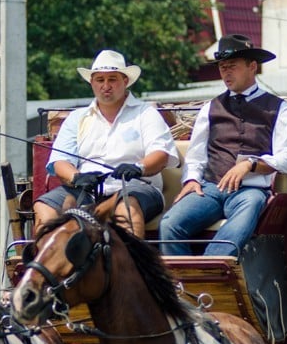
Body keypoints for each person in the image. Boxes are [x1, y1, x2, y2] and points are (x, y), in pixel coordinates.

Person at [159, 34, 287, 257]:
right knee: (169, 225)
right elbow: (196, 155)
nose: (226, 72)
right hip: (211, 189)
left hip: (251, 191)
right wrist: (192, 180)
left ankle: (209, 275)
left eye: (232, 66)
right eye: (222, 67)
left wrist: (250, 165)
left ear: (252, 66)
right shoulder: (210, 107)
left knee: (245, 213)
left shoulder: (278, 108)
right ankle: (184, 286)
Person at [33, 50, 179, 238]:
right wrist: (77, 177)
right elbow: (60, 161)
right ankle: (49, 266)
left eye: (112, 79)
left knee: (127, 206)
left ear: (125, 81)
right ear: (92, 83)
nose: (106, 86)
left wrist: (138, 168)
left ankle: (131, 265)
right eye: (100, 80)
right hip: (87, 192)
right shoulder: (77, 118)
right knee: (43, 207)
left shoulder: (146, 113)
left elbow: (160, 155)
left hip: (137, 188)